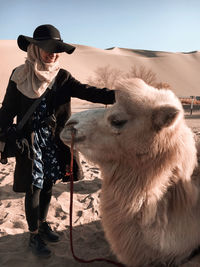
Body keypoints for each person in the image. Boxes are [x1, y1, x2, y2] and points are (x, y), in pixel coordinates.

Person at [0, 24, 115, 257]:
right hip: (29, 141)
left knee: (49, 184)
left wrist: (122, 94)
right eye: (47, 47)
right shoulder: (19, 75)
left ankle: (43, 224)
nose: (52, 53)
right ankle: (33, 234)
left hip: (54, 140)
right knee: (34, 187)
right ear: (35, 48)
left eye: (56, 48)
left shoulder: (61, 77)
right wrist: (6, 134)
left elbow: (89, 92)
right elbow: (6, 111)